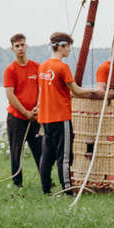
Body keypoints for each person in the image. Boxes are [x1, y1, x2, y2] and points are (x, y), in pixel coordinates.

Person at [1, 34, 43, 191]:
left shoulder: (36, 67)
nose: (20, 48)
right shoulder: (10, 70)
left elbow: (41, 89)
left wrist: (37, 107)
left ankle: (46, 180)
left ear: (26, 46)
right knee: (16, 150)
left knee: (40, 149)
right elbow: (10, 95)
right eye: (17, 46)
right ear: (12, 49)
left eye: (22, 45)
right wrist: (25, 112)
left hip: (35, 116)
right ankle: (17, 182)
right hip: (17, 117)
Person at [35, 34, 74, 194]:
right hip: (61, 117)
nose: (70, 50)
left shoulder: (42, 67)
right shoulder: (62, 67)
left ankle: (46, 189)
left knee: (47, 156)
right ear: (60, 47)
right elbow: (75, 90)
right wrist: (92, 91)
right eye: (68, 46)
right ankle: (67, 190)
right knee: (64, 157)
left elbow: (43, 91)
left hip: (45, 118)